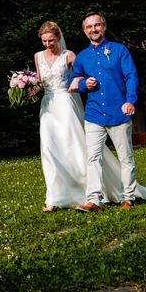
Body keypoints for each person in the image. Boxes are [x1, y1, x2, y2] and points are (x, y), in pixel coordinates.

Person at [34, 20, 131, 212]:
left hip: (66, 104)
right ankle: (53, 197)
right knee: (49, 150)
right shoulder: (37, 56)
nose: (47, 44)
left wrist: (82, 82)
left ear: (58, 38)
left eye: (51, 40)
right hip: (48, 107)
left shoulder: (69, 55)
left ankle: (87, 192)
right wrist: (26, 88)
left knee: (73, 146)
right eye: (44, 41)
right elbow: (39, 82)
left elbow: (82, 74)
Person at [70, 12, 146, 213]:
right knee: (93, 158)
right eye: (89, 27)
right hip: (94, 114)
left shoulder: (119, 50)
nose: (93, 29)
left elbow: (131, 76)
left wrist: (130, 101)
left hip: (119, 113)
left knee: (126, 157)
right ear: (84, 31)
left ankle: (128, 198)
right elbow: (74, 82)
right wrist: (84, 85)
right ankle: (93, 201)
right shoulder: (81, 57)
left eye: (97, 25)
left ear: (104, 27)